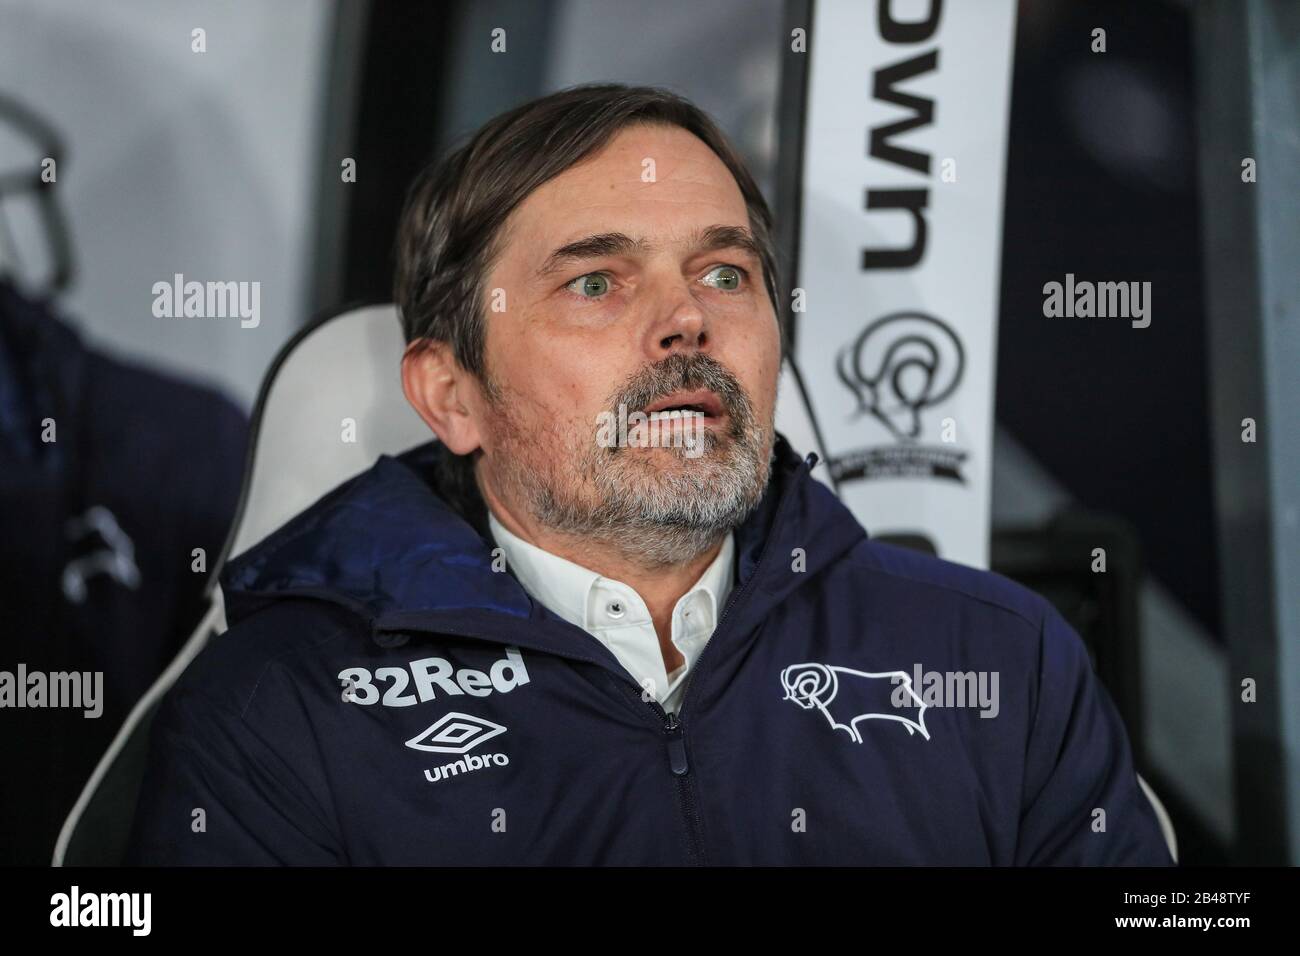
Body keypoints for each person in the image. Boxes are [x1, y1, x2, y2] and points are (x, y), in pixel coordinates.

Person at [126, 83, 1173, 865]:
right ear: (453, 395)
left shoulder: (1000, 660)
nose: (688, 319)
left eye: (725, 272)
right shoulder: (281, 711)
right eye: (596, 280)